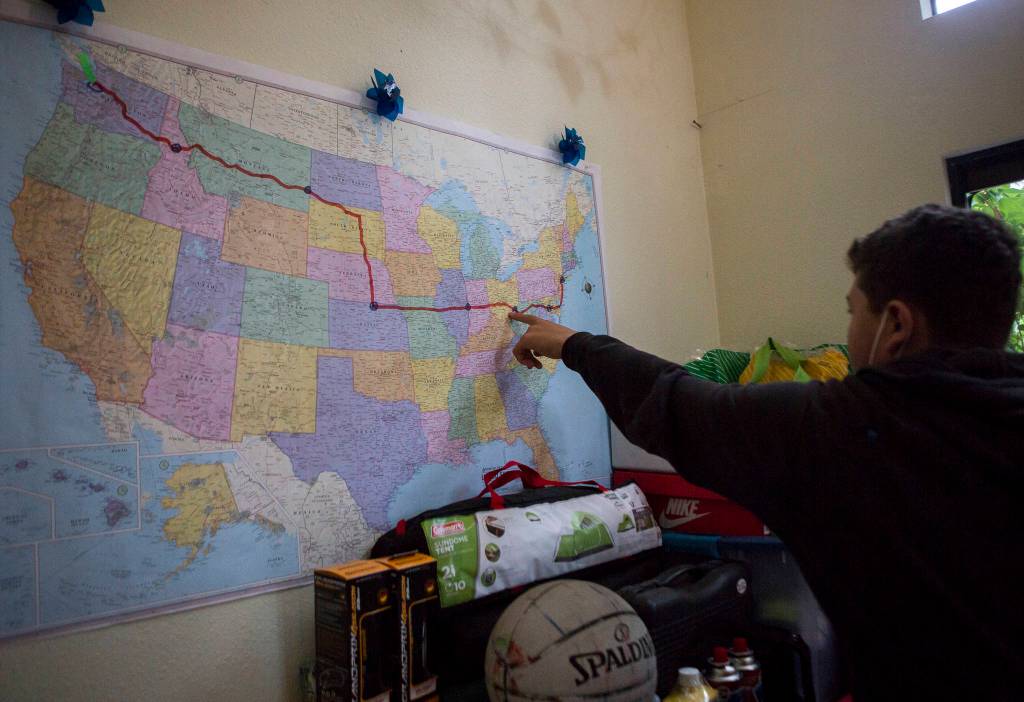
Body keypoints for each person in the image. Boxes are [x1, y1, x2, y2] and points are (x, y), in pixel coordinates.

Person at [508, 204, 1024, 699]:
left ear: (895, 326)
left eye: (853, 312)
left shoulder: (846, 429)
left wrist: (574, 344)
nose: (849, 332)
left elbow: (678, 406)